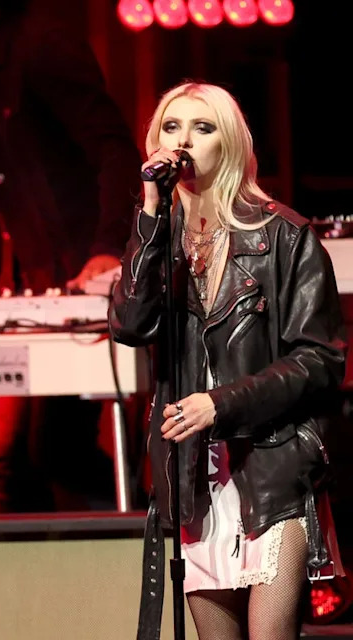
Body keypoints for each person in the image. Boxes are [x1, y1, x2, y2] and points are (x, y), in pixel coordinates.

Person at [110, 82, 346, 640]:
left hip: (274, 468)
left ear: (231, 142)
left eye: (202, 127)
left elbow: (320, 360)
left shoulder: (285, 236)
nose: (183, 140)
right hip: (196, 478)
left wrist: (220, 404)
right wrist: (150, 213)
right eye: (171, 127)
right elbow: (129, 324)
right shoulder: (158, 239)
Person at [0, 0, 142, 512]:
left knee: (54, 451)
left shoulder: (42, 45)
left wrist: (109, 250)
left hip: (89, 280)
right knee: (14, 462)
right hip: (35, 287)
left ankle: (155, 548)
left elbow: (115, 149)